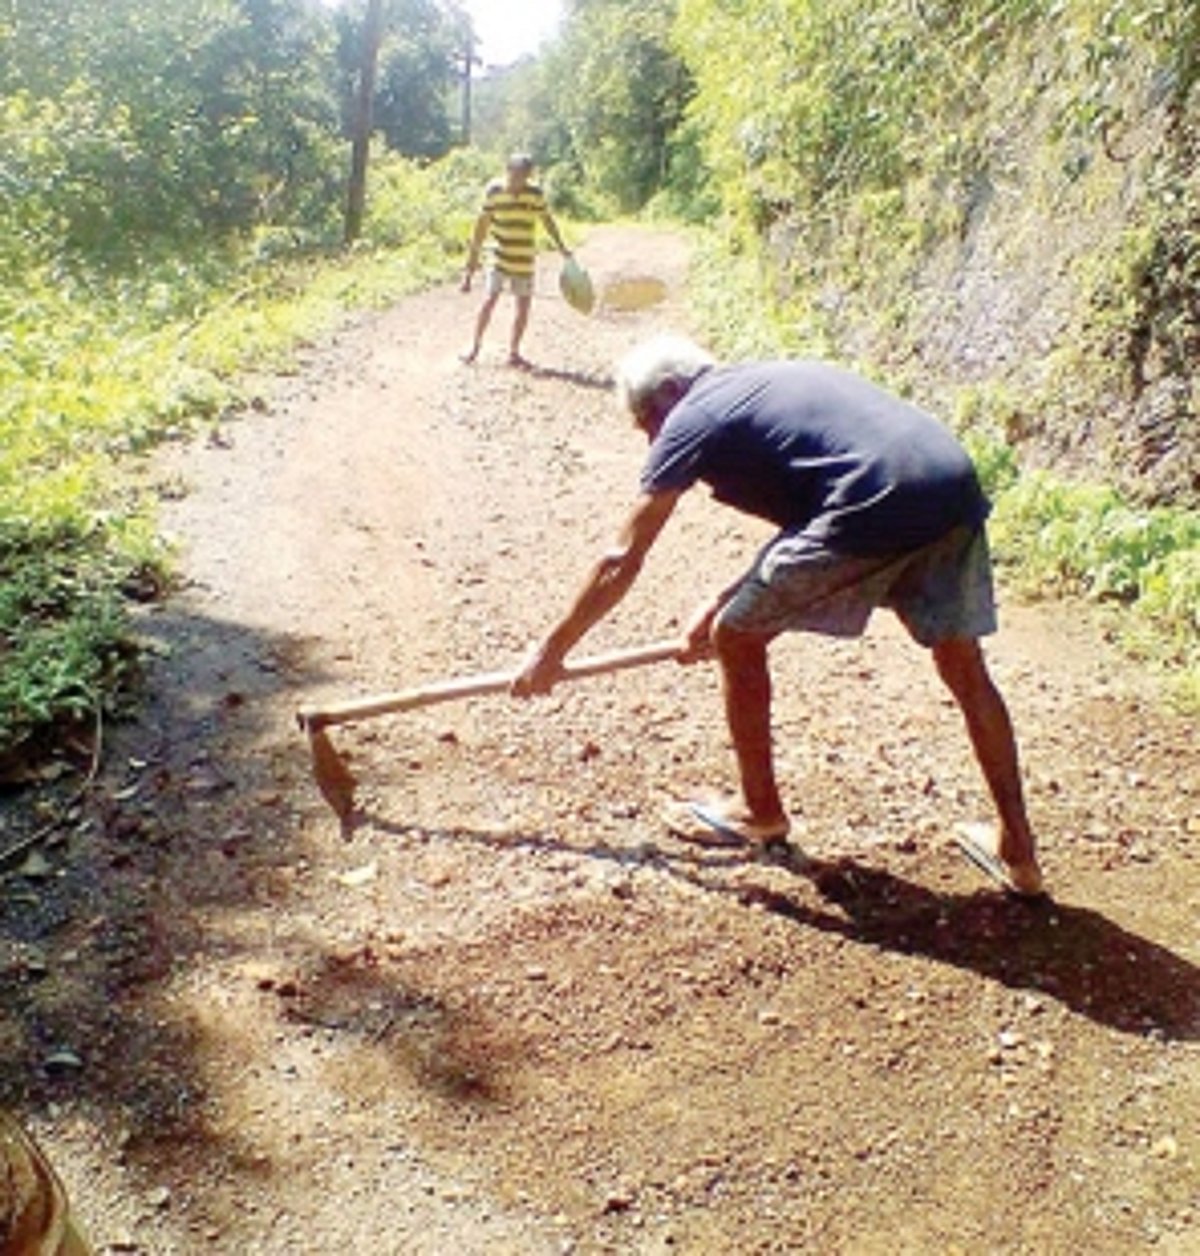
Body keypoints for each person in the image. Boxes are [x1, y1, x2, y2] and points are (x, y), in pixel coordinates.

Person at [511, 334, 1045, 897]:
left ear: (670, 391)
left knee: (736, 638)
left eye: (647, 423)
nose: (652, 440)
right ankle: (1019, 851)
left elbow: (621, 558)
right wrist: (727, 596)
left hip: (874, 498)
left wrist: (551, 650)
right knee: (963, 663)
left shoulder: (693, 414)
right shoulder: (768, 383)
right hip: (950, 485)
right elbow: (816, 508)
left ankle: (758, 813)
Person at [460, 152, 571, 368]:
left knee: (523, 307)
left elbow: (547, 219)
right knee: (489, 300)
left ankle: (514, 352)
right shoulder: (494, 191)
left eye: (523, 177)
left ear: (528, 176)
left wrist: (560, 245)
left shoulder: (534, 194)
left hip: (524, 258)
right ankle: (474, 346)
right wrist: (471, 264)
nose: (518, 182)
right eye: (515, 176)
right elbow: (481, 226)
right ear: (507, 171)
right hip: (499, 255)